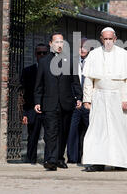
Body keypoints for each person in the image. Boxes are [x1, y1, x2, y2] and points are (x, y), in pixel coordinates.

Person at [82, 27, 127, 172]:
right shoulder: (94, 54)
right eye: (105, 39)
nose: (108, 41)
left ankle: (120, 162)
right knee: (98, 130)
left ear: (115, 39)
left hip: (118, 96)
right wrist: (87, 99)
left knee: (119, 131)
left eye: (111, 39)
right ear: (101, 39)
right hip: (99, 97)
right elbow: (89, 79)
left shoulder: (124, 55)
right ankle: (97, 162)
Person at [34, 32, 82, 171]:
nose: (59, 45)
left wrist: (79, 97)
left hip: (66, 102)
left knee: (63, 132)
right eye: (56, 42)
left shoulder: (69, 61)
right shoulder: (43, 62)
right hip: (49, 103)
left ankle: (60, 158)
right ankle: (51, 159)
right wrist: (37, 101)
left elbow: (75, 82)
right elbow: (39, 85)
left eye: (61, 42)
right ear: (50, 44)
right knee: (51, 132)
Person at [20, 43, 49, 164]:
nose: (41, 55)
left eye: (44, 53)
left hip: (48, 107)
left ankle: (49, 159)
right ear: (35, 55)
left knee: (50, 135)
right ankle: (31, 159)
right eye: (39, 53)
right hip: (32, 108)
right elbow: (23, 93)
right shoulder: (28, 71)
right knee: (32, 135)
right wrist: (24, 112)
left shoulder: (52, 70)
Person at [66, 38, 90, 164]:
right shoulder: (70, 62)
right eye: (80, 47)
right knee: (72, 131)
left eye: (85, 47)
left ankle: (88, 158)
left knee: (89, 131)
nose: (82, 49)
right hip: (74, 102)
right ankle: (72, 158)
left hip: (89, 103)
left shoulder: (93, 62)